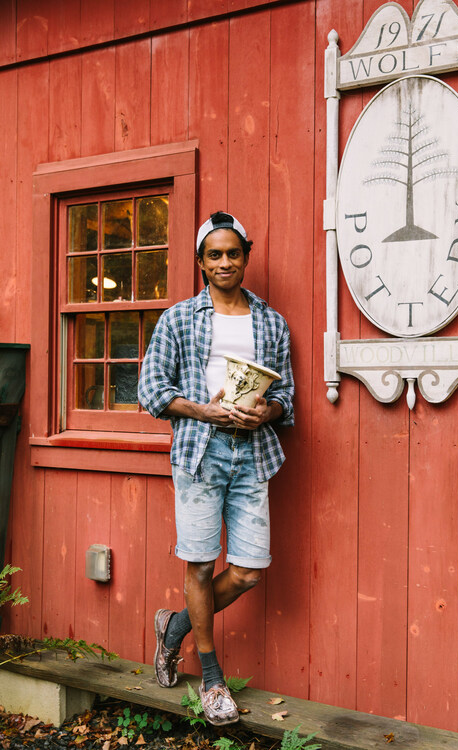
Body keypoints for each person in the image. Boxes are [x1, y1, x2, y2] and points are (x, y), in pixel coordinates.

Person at [138, 211, 294, 726]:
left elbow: (286, 397)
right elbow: (152, 391)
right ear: (201, 262)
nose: (225, 262)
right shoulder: (179, 319)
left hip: (252, 453)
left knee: (248, 570)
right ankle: (210, 677)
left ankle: (175, 627)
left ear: (246, 256)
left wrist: (265, 410)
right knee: (200, 566)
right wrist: (203, 409)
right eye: (215, 255)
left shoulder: (271, 322)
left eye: (233, 253)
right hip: (200, 453)